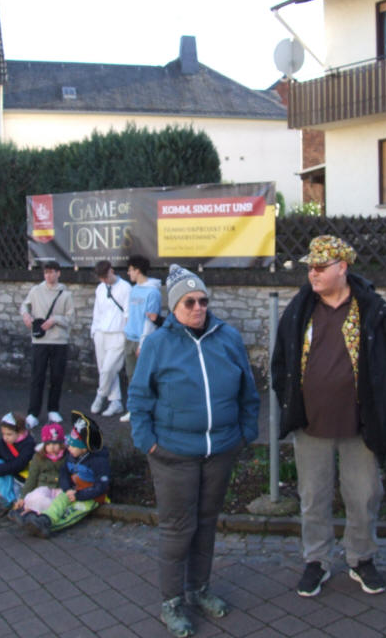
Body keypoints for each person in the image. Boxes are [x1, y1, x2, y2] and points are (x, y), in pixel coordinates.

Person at [272, 235, 386, 599]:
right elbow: (280, 362)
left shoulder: (373, 310)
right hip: (310, 424)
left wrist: (383, 408)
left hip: (360, 426)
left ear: (342, 268)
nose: (312, 274)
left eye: (320, 267)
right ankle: (316, 560)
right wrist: (287, 400)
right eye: (310, 267)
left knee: (364, 494)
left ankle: (361, 558)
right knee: (313, 495)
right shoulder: (300, 309)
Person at [128, 264, 259, 638]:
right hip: (172, 452)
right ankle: (172, 601)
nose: (199, 307)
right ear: (174, 307)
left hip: (220, 450)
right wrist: (147, 441)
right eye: (190, 302)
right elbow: (139, 397)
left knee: (205, 525)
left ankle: (199, 588)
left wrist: (244, 434)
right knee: (177, 529)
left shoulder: (227, 337)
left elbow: (248, 392)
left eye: (203, 300)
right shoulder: (158, 343)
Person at [23, 411, 111, 538]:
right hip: (73, 491)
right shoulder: (72, 455)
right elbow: (64, 471)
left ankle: (49, 527)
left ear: (84, 448)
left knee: (72, 513)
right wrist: (67, 488)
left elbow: (101, 486)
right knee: (58, 503)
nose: (68, 448)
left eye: (72, 446)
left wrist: (80, 495)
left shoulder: (98, 462)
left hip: (90, 496)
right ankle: (44, 518)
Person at [20, 260, 74, 429]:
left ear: (58, 273)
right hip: (40, 341)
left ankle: (53, 409)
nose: (49, 276)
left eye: (52, 272)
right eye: (46, 273)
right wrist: (26, 316)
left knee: (57, 377)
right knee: (37, 377)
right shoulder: (35, 291)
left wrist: (55, 320)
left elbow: (71, 318)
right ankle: (33, 413)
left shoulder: (66, 294)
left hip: (59, 341)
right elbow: (24, 306)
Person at [120, 254, 163, 423]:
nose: (129, 274)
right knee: (131, 376)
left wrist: (143, 343)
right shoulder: (134, 289)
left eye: (130, 270)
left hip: (142, 341)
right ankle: (133, 409)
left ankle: (148, 411)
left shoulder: (153, 292)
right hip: (129, 338)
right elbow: (130, 314)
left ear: (137, 271)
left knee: (145, 378)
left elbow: (150, 320)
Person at [89, 260, 131, 417]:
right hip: (101, 333)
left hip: (118, 334)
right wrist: (94, 331)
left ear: (111, 271)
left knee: (108, 369)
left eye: (105, 276)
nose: (104, 281)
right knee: (104, 370)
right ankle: (115, 402)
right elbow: (97, 312)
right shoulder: (100, 288)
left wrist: (126, 334)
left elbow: (128, 313)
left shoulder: (126, 288)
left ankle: (100, 395)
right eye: (101, 278)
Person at [9, 422, 68, 521]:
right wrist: (22, 497)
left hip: (61, 487)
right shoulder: (39, 457)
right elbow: (32, 478)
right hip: (45, 486)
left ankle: (47, 516)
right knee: (38, 497)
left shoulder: (67, 456)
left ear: (61, 443)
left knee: (61, 501)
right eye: (48, 444)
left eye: (55, 444)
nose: (52, 447)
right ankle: (31, 512)